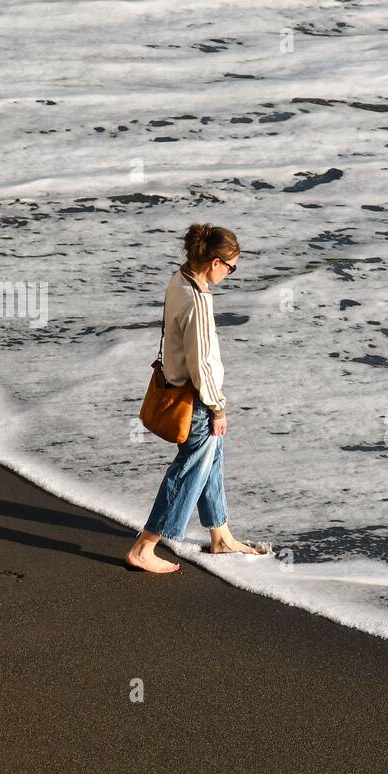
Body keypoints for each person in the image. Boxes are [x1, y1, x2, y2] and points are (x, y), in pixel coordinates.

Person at [125, 224, 259, 573]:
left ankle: (221, 536)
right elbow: (200, 362)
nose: (230, 274)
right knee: (188, 471)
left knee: (210, 461)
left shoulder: (179, 281)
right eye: (231, 268)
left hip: (177, 387)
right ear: (215, 262)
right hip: (197, 399)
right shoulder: (198, 301)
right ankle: (145, 546)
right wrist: (217, 407)